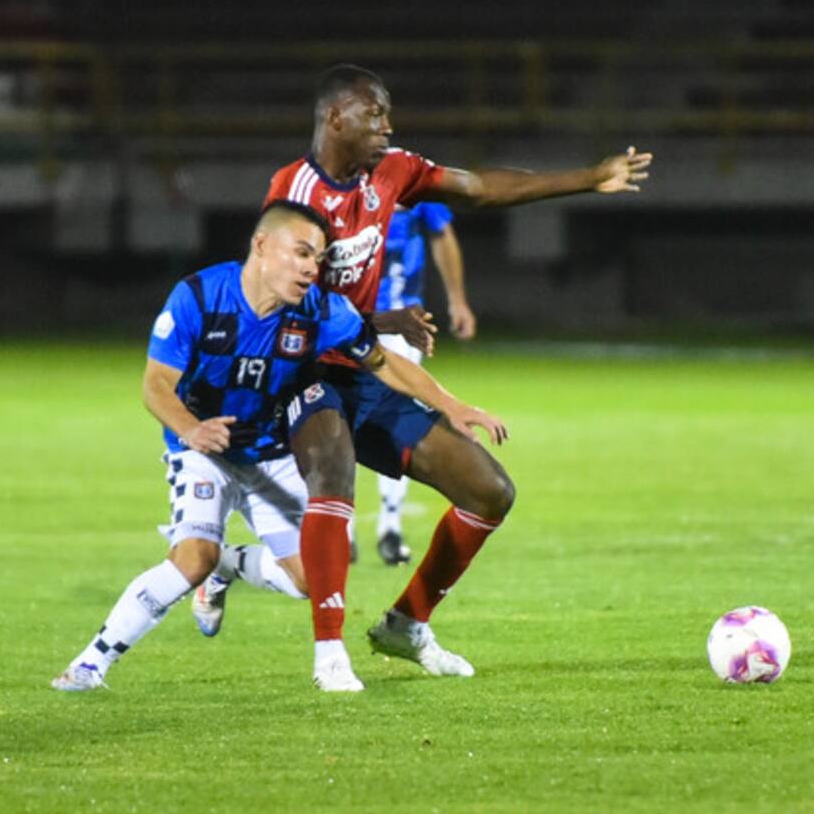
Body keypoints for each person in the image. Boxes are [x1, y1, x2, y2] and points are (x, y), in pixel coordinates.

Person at [235, 64, 652, 686]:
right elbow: (276, 302)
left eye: (387, 115)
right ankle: (329, 654)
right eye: (374, 114)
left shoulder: (393, 171)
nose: (387, 126)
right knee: (334, 469)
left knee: (490, 491)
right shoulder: (291, 192)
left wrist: (589, 179)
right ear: (335, 118)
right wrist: (380, 316)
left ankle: (406, 623)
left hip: (367, 368)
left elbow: (478, 187)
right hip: (298, 369)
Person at [50, 200, 506, 693]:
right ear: (262, 246)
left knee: (314, 579)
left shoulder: (321, 311)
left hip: (269, 452)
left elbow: (385, 363)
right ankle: (89, 665)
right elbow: (156, 385)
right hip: (203, 451)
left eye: (319, 257)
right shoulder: (199, 296)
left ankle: (228, 564)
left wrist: (452, 405)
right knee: (192, 558)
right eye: (302, 252)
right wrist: (192, 429)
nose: (313, 266)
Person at [371, 202, 475, 565]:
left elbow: (443, 234)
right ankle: (343, 527)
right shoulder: (343, 183)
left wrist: (457, 300)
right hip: (351, 320)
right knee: (336, 416)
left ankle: (390, 526)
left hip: (403, 324)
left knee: (396, 424)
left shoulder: (415, 182)